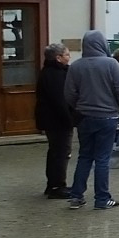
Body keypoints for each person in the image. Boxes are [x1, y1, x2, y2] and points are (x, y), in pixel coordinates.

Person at [64, 30, 119, 210]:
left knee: (84, 156)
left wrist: (79, 106)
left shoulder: (76, 66)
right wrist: (118, 106)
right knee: (102, 159)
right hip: (108, 117)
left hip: (84, 117)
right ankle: (101, 199)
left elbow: (69, 93)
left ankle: (76, 197)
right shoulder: (111, 64)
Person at [35, 42, 73, 198]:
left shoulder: (51, 71)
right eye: (67, 55)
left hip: (52, 119)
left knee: (56, 152)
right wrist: (70, 119)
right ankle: (57, 186)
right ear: (58, 58)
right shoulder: (54, 74)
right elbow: (60, 100)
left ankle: (53, 184)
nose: (69, 58)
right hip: (57, 120)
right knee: (60, 153)